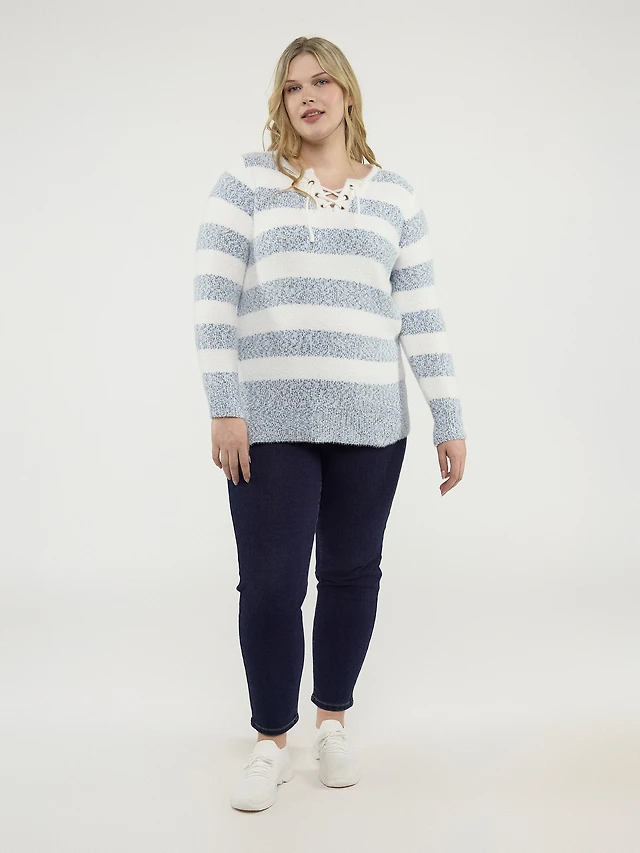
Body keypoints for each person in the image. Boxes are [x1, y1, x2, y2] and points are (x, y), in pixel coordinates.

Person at [193, 36, 467, 811]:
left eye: (321, 82)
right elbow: (212, 298)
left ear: (347, 93)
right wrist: (225, 405)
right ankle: (271, 740)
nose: (308, 96)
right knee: (271, 583)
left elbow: (422, 314)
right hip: (269, 420)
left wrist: (448, 415)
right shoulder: (247, 182)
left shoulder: (396, 197)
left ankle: (333, 722)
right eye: (292, 87)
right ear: (280, 103)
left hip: (373, 422)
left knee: (351, 575)